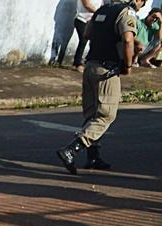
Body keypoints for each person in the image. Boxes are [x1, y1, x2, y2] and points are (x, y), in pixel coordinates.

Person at [57, 0, 145, 174]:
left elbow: (87, 33)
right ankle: (72, 149)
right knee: (105, 116)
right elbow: (127, 40)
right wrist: (127, 65)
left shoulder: (102, 9)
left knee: (91, 114)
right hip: (108, 69)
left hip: (90, 65)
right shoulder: (126, 13)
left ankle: (93, 157)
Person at [73, 0, 104, 71]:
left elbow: (102, 5)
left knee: (95, 41)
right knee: (83, 40)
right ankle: (77, 63)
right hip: (81, 19)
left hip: (93, 20)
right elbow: (86, 5)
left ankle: (89, 61)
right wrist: (98, 12)